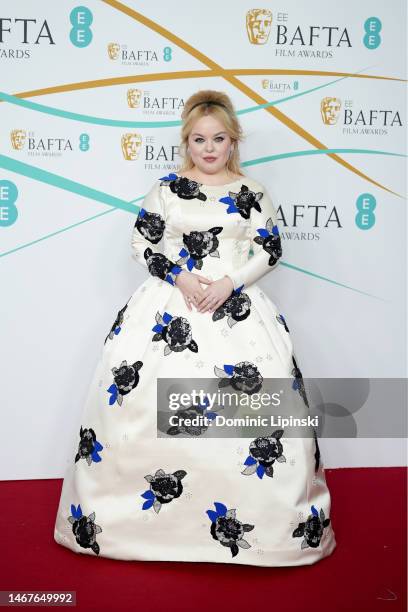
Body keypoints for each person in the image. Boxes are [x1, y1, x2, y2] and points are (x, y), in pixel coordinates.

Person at [53, 89, 337, 566]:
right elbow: (143, 244)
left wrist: (229, 281)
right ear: (187, 141)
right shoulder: (165, 187)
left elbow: (270, 248)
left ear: (233, 141)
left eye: (219, 139)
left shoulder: (253, 192)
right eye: (200, 139)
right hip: (169, 307)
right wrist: (181, 276)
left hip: (238, 310)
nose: (209, 148)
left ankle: (265, 528)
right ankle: (141, 527)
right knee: (140, 411)